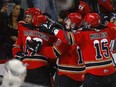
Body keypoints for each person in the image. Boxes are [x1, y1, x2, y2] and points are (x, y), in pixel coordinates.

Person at [38, 13, 86, 87]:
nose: (66, 22)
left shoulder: (65, 37)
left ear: (73, 24)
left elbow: (54, 53)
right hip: (82, 74)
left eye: (68, 20)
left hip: (67, 74)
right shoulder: (84, 34)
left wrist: (39, 49)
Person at [12, 7, 57, 86]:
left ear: (36, 17)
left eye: (29, 17)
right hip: (26, 67)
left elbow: (54, 50)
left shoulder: (48, 32)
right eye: (26, 16)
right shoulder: (23, 28)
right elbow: (16, 46)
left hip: (41, 68)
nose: (26, 19)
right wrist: (18, 53)